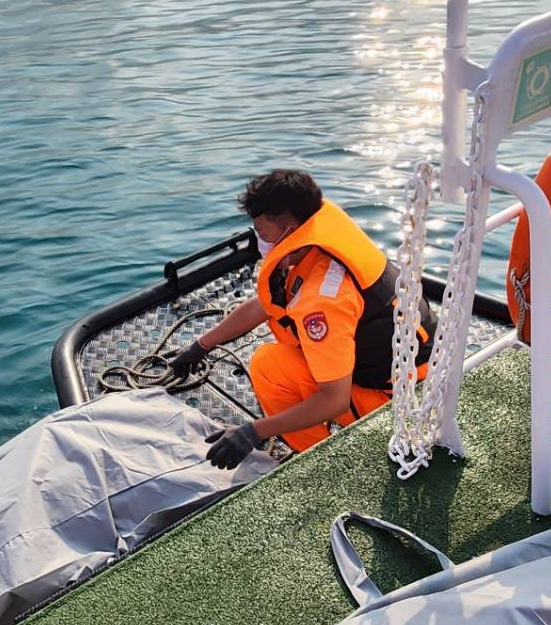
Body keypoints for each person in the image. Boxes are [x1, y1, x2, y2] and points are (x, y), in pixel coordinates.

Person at [170, 169, 436, 467]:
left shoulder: (321, 301)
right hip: (419, 372)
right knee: (280, 357)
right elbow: (264, 306)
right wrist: (201, 345)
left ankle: (315, 461)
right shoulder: (314, 246)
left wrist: (253, 432)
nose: (261, 242)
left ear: (291, 230)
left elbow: (334, 399)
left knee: (269, 368)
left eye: (263, 234)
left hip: (402, 401)